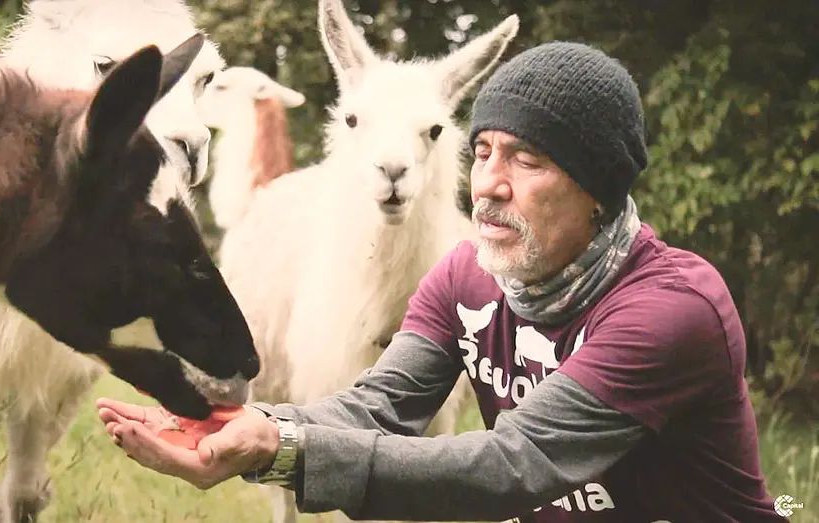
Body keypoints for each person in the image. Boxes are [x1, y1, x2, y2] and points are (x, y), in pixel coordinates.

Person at [96, 41, 788, 522]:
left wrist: (277, 449)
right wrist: (234, 424)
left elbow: (511, 465)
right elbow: (377, 405)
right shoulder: (468, 276)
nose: (487, 183)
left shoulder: (671, 310)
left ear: (598, 189)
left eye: (528, 159)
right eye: (483, 150)